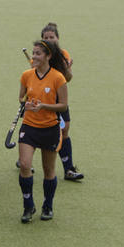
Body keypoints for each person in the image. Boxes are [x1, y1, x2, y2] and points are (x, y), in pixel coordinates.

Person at [17, 39, 69, 223]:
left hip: (50, 128)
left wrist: (43, 106)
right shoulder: (26, 75)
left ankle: (48, 205)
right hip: (29, 126)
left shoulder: (58, 78)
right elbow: (21, 98)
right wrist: (26, 103)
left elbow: (63, 105)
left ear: (48, 56)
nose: (34, 56)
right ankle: (28, 205)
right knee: (24, 164)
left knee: (49, 171)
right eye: (33, 53)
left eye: (38, 53)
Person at [40, 23, 82, 181]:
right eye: (46, 38)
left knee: (64, 132)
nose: (49, 40)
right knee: (38, 132)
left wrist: (66, 69)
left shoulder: (64, 54)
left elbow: (68, 79)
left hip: (60, 100)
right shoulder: (39, 54)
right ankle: (24, 159)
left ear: (58, 38)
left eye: (52, 37)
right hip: (42, 100)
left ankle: (69, 169)